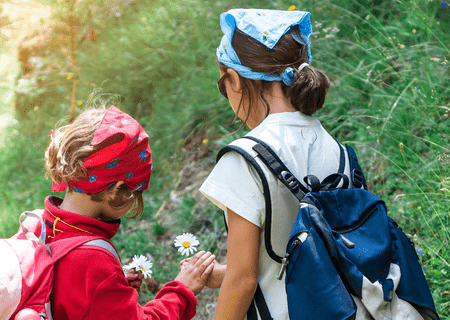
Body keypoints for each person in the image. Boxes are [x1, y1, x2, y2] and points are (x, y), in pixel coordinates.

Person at [199, 9, 353, 320]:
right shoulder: (337, 150)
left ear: (235, 80)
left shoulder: (245, 158)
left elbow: (243, 281)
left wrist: (230, 278)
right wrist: (222, 274)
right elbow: (312, 251)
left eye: (223, 85)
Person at [36, 104, 215, 320]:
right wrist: (182, 289)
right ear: (117, 189)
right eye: (136, 192)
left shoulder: (42, 225)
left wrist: (110, 289)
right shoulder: (93, 261)